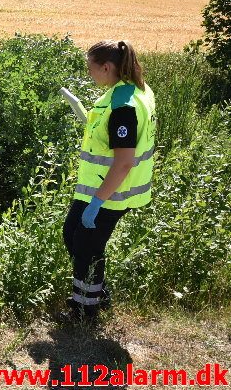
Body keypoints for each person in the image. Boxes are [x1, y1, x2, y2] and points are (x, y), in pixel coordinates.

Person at [62, 40, 156, 321]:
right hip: (100, 187)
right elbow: (114, 138)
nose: (89, 74)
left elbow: (124, 161)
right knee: (75, 237)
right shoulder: (135, 90)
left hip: (111, 192)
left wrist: (97, 203)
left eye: (91, 69)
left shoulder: (123, 105)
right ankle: (96, 293)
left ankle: (84, 310)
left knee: (85, 246)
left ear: (107, 66)